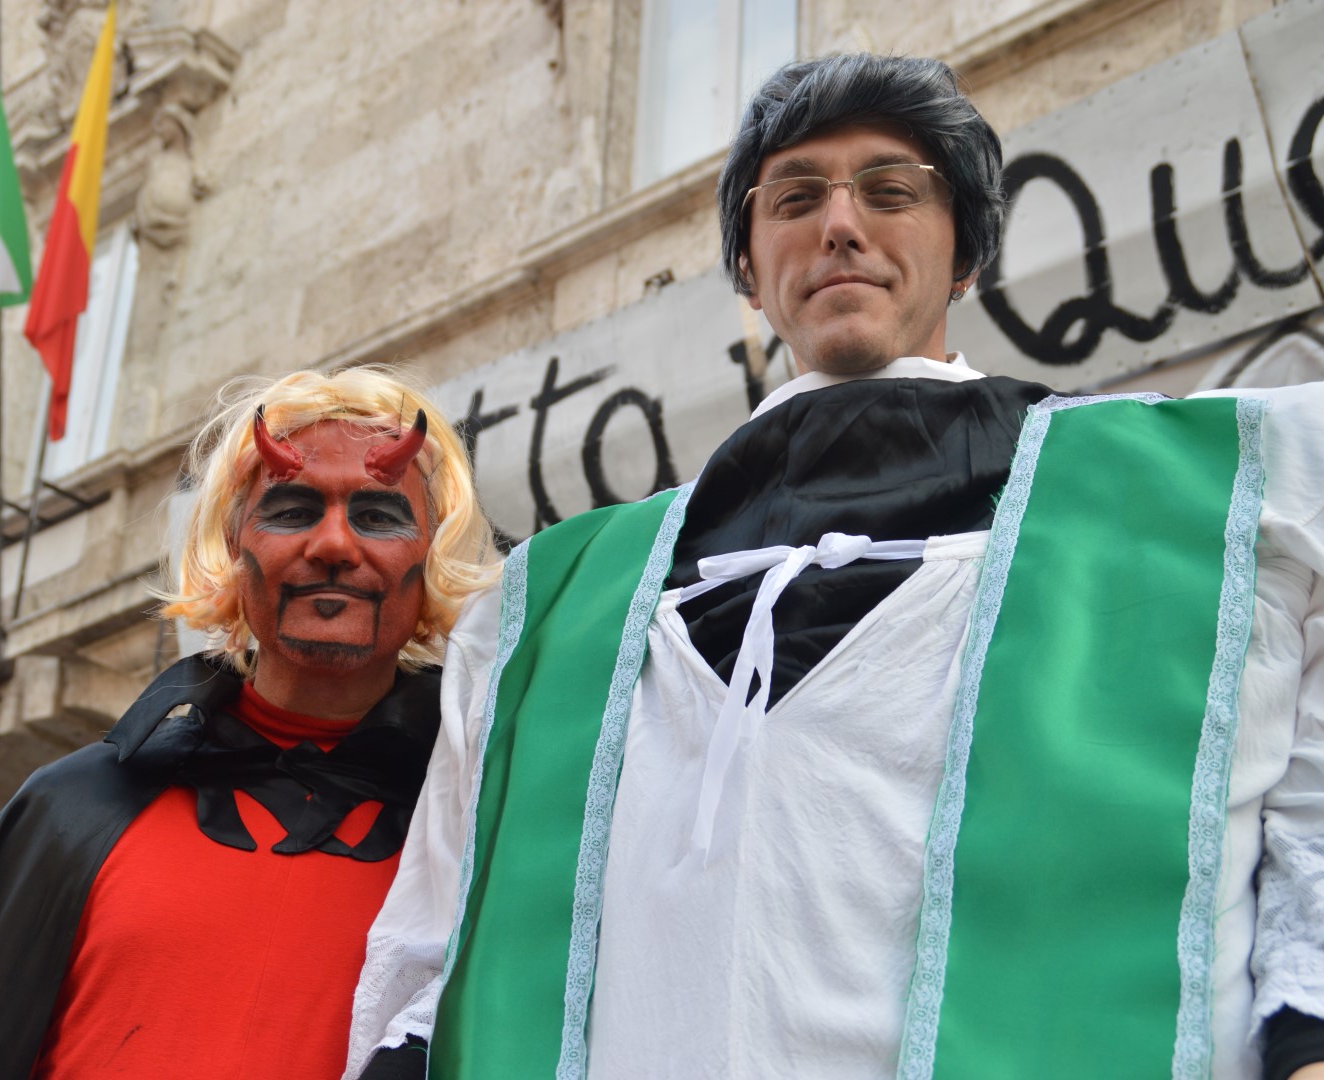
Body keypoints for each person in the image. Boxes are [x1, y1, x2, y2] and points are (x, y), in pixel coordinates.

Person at [344, 55, 1324, 1079]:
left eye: (891, 191)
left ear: (966, 251)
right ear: (747, 263)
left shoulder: (1226, 498)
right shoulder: (548, 609)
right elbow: (434, 966)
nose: (840, 225)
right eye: (796, 197)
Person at [0, 367, 497, 1080]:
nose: (333, 544)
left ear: (432, 554)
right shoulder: (72, 808)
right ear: (233, 547)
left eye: (379, 517)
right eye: (292, 510)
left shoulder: (485, 826)